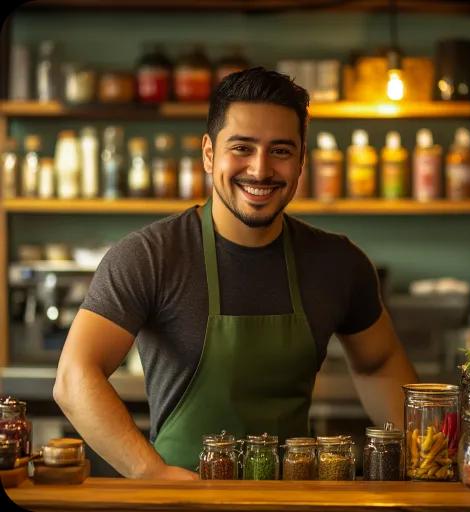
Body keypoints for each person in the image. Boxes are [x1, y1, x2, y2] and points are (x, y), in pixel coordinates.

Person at [53, 67, 418, 480]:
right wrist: (150, 473)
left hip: (295, 501)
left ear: (302, 159)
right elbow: (74, 375)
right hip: (182, 505)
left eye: (281, 150)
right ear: (209, 153)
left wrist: (427, 457)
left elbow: (378, 363)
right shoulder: (150, 255)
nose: (260, 170)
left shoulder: (338, 262)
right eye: (242, 147)